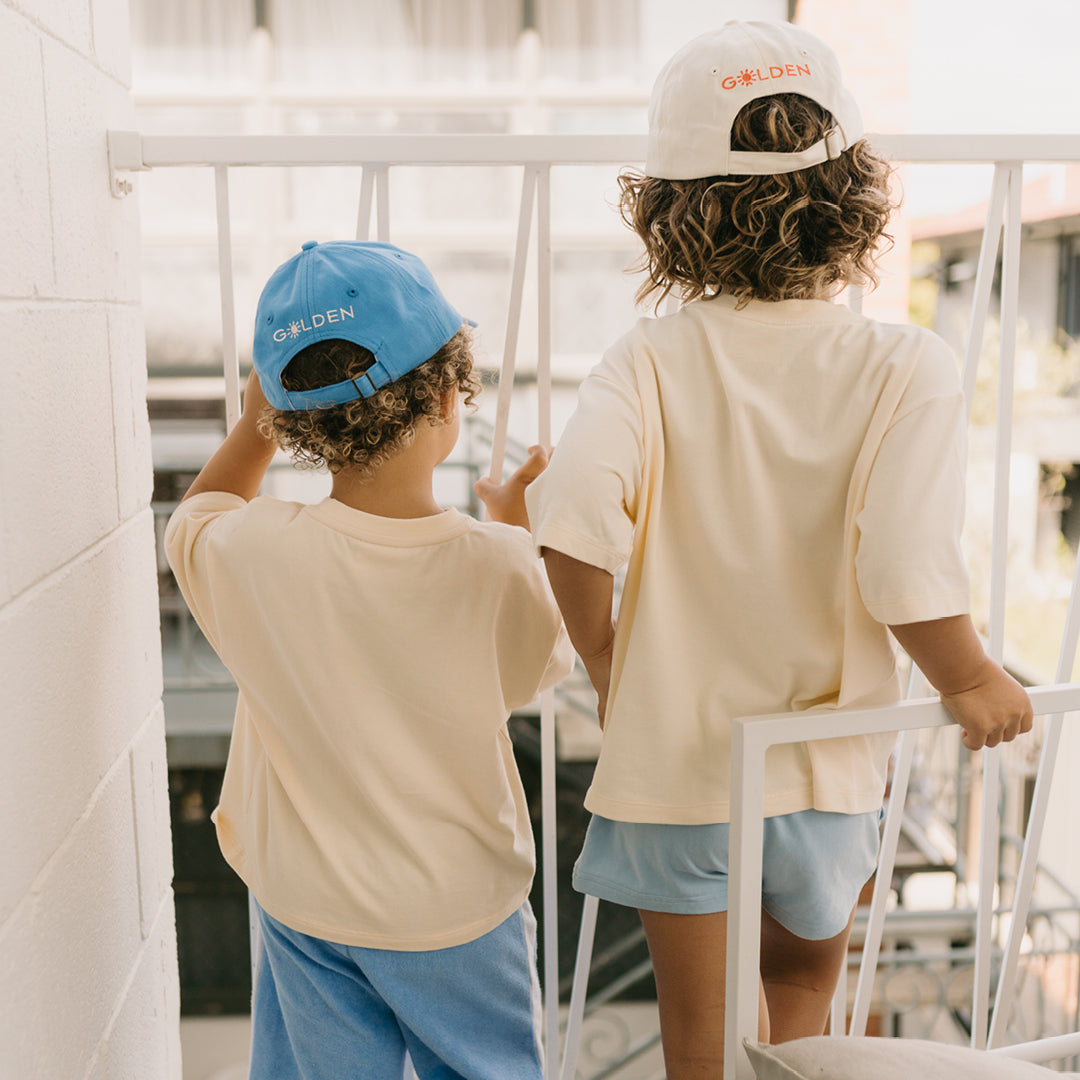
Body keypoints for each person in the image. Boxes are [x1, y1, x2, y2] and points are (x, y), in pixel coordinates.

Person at [524, 20, 1034, 1079]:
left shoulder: (649, 359)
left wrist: (609, 658)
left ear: (668, 213)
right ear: (854, 193)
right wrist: (972, 677)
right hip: (827, 773)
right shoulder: (906, 365)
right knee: (800, 999)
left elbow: (568, 510)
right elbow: (901, 568)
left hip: (678, 771)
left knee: (702, 1049)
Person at [165, 239, 574, 1080]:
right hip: (458, 911)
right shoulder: (495, 564)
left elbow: (194, 520)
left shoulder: (255, 551)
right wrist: (520, 527)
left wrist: (252, 426)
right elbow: (533, 670)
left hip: (308, 900)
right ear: (449, 392)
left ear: (291, 420)